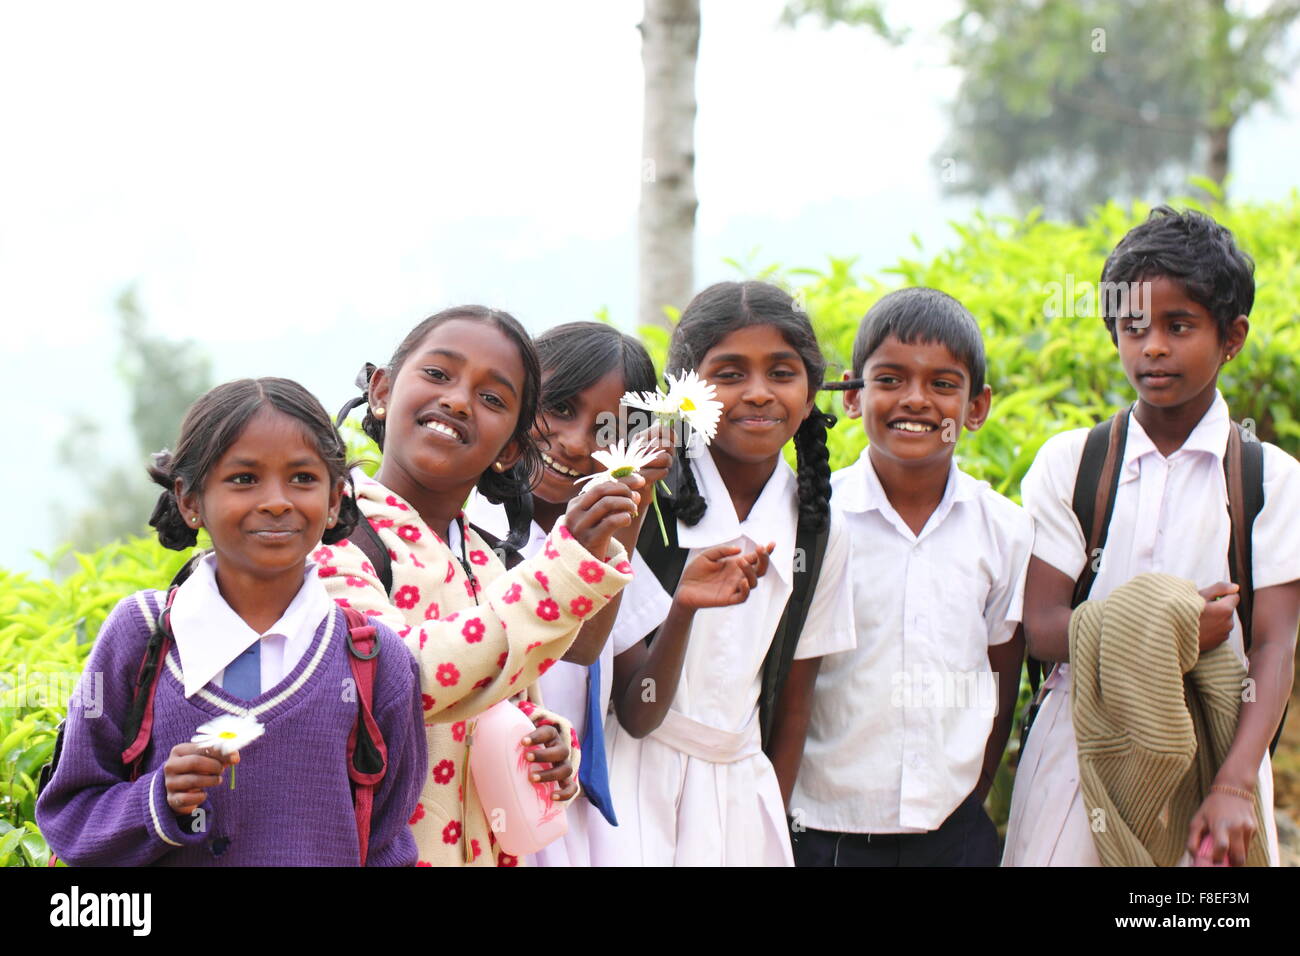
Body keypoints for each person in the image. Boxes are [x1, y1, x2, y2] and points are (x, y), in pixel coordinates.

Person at [1002, 206, 1300, 866]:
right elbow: (1039, 624)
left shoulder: (1270, 481)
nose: (1153, 347)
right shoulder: (1072, 464)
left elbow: (1275, 645)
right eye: (1133, 328)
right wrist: (1167, 625)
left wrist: (1231, 788)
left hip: (1216, 755)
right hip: (1081, 757)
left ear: (1234, 336)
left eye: (1179, 326)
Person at [36, 378, 426, 865]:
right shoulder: (141, 635)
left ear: (333, 500)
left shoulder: (374, 658)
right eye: (244, 479)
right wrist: (160, 801)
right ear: (189, 500)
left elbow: (388, 841)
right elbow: (70, 813)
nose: (277, 501)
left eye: (303, 478)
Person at [324, 305, 641, 866]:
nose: (458, 400)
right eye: (438, 375)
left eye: (493, 399)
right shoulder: (338, 534)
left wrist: (548, 742)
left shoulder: (489, 559)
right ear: (382, 391)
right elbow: (404, 680)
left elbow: (508, 698)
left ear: (509, 451)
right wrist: (563, 571)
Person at [596, 280, 857, 867]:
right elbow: (636, 710)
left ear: (812, 392)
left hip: (743, 792)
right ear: (686, 392)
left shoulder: (818, 530)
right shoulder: (643, 501)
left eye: (782, 373)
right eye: (730, 374)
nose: (758, 394)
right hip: (633, 780)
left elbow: (795, 699)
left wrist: (772, 815)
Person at [790, 288, 1032, 867]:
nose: (916, 400)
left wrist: (971, 793)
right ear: (853, 394)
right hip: (825, 834)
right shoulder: (813, 522)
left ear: (977, 408)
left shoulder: (1004, 530)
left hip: (954, 835)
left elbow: (1001, 676)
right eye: (891, 379)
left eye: (944, 384)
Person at [467, 321, 676, 866]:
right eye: (559, 409)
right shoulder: (471, 527)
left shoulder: (599, 543)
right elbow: (573, 645)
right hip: (474, 812)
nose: (578, 442)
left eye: (608, 432)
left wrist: (689, 609)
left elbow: (615, 683)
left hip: (563, 817)